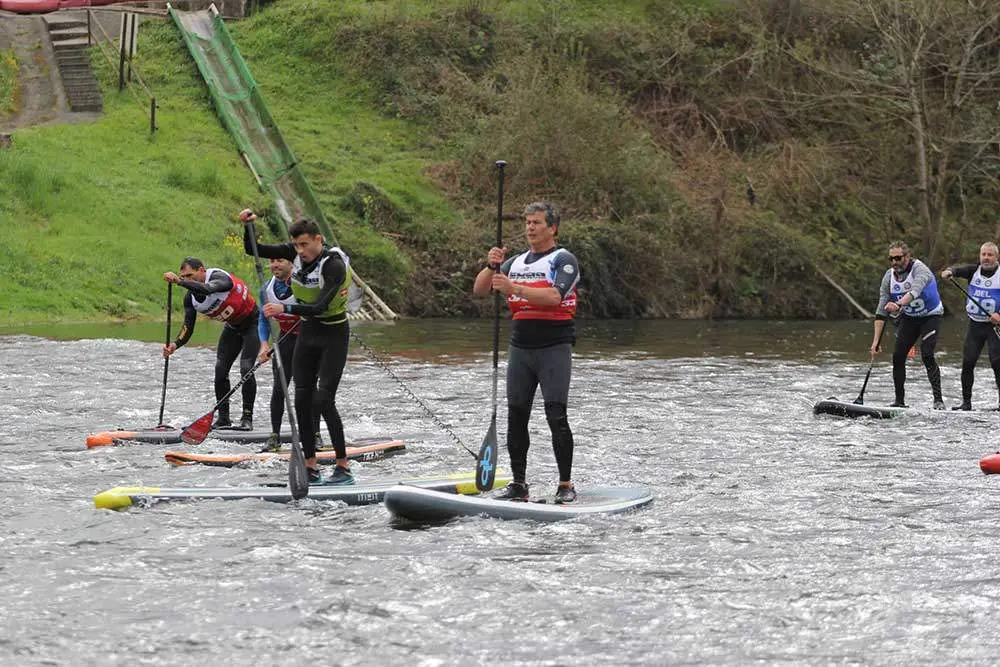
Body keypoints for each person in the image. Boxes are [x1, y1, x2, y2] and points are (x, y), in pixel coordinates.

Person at [472, 202, 581, 503]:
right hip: (521, 348)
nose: (530, 227)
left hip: (553, 348)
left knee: (555, 416)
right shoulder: (516, 262)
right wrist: (491, 265)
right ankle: (519, 484)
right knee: (516, 417)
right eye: (527, 222)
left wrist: (513, 287)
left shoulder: (563, 259)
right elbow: (481, 290)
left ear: (552, 228)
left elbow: (555, 297)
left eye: (536, 222)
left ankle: (566, 484)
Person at [243, 216, 355, 485]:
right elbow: (253, 249)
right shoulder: (294, 251)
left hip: (333, 335)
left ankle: (343, 467)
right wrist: (247, 225)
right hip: (308, 335)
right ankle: (311, 466)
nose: (300, 251)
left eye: (305, 245)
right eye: (296, 245)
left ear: (319, 240)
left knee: (323, 400)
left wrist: (285, 309)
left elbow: (318, 308)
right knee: (301, 400)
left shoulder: (334, 266)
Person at [243, 212, 331, 452]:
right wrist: (263, 344)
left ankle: (314, 434)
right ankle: (274, 436)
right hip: (286, 338)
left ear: (292, 263)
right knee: (279, 388)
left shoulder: (303, 282)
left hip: (310, 338)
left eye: (280, 261)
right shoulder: (266, 289)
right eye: (271, 261)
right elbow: (264, 317)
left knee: (308, 387)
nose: (274, 265)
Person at [163, 258, 258, 430]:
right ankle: (223, 419)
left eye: (190, 275)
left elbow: (208, 289)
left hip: (253, 323)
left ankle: (247, 419)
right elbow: (187, 327)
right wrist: (174, 345)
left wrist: (179, 281)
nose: (188, 279)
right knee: (220, 370)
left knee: (246, 368)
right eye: (184, 276)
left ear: (202, 270)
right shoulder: (190, 299)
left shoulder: (219, 277)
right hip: (232, 327)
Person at [871, 241, 945, 409]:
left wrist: (897, 304)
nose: (894, 263)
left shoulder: (920, 270)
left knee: (927, 355)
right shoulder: (888, 277)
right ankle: (899, 402)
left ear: (908, 256)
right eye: (891, 259)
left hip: (930, 316)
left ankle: (938, 400)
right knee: (898, 357)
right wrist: (876, 342)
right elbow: (880, 311)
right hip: (910, 318)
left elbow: (914, 292)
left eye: (898, 258)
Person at [940, 242, 1000, 410]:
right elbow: (957, 270)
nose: (986, 258)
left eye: (990, 255)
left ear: (997, 257)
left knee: (997, 362)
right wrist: (949, 272)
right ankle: (966, 403)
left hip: (994, 327)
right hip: (975, 325)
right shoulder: (973, 271)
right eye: (983, 254)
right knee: (968, 362)